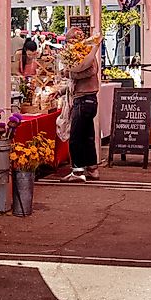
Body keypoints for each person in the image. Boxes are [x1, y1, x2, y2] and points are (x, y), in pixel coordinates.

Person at [61, 27, 101, 183]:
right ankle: (92, 168)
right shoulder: (84, 53)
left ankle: (78, 171)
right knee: (87, 136)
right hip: (89, 99)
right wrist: (61, 91)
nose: (70, 43)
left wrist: (69, 73)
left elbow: (90, 71)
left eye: (71, 40)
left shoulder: (86, 54)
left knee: (76, 137)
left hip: (84, 99)